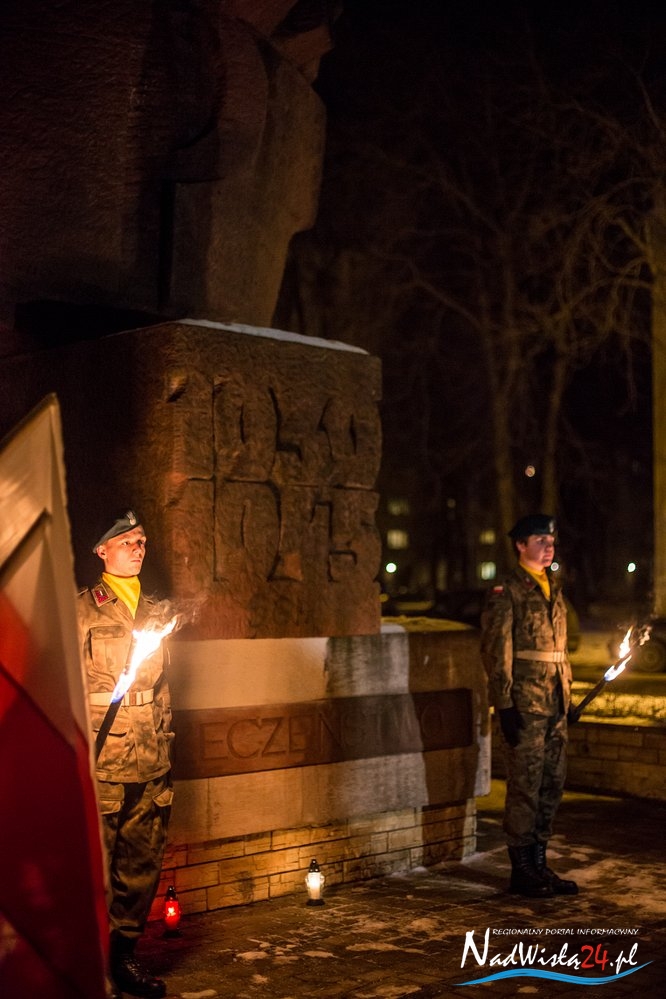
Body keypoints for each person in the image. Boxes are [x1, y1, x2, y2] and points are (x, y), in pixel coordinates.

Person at [78, 510, 174, 999]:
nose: (138, 549)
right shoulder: (80, 611)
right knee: (95, 863)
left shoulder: (156, 611)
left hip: (150, 758)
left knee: (141, 864)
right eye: (126, 542)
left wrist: (165, 742)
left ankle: (124, 956)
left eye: (141, 541)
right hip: (101, 758)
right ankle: (87, 961)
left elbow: (162, 690)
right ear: (102, 551)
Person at [480, 514, 578, 899]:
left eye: (551, 540)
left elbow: (560, 650)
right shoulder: (508, 590)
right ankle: (522, 870)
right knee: (525, 786)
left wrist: (568, 698)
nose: (548, 546)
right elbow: (496, 651)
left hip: (554, 705)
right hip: (525, 706)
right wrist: (504, 704)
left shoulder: (554, 586)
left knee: (551, 785)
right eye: (540, 540)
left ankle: (539, 864)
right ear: (521, 545)